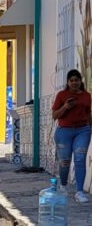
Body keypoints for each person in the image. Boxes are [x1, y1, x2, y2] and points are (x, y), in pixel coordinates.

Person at [51, 69, 91, 203]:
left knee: (80, 159)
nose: (74, 83)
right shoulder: (62, 95)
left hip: (83, 130)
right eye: (72, 80)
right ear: (68, 82)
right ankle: (63, 186)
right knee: (65, 162)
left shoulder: (87, 96)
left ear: (81, 81)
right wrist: (65, 107)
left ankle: (79, 192)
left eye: (77, 80)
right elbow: (54, 116)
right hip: (64, 132)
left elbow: (88, 114)